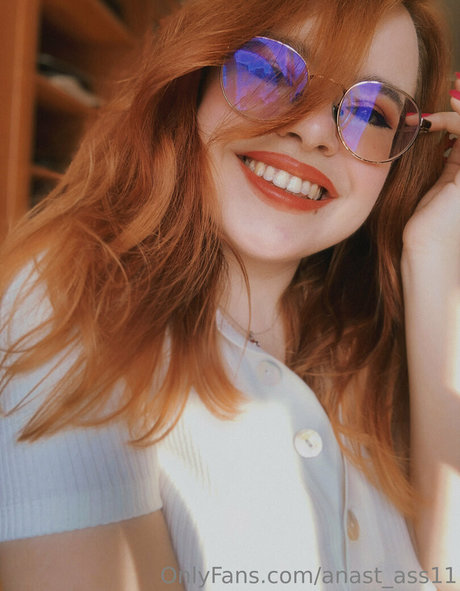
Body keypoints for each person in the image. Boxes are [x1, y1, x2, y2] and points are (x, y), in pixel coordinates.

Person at [0, 0, 459, 589]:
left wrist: (433, 252)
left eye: (372, 111)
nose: (315, 130)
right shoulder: (66, 306)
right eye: (271, 70)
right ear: (197, 74)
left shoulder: (365, 344)